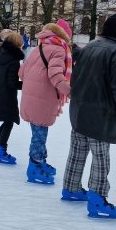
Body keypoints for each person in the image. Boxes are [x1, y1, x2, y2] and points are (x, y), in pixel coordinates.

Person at [62, 14, 116, 219]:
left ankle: (71, 188)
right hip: (100, 114)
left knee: (77, 151)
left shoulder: (92, 45)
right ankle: (97, 199)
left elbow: (76, 76)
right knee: (100, 157)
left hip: (79, 110)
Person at [18, 20, 73, 185]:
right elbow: (55, 75)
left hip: (31, 95)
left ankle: (40, 161)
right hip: (42, 97)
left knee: (38, 132)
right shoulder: (58, 50)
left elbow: (22, 72)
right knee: (39, 135)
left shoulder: (38, 47)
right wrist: (69, 90)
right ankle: (34, 167)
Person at [0, 32, 24, 164]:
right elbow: (12, 82)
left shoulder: (2, 54)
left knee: (7, 121)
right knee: (9, 121)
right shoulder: (13, 61)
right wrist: (26, 85)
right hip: (6, 95)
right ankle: (1, 150)